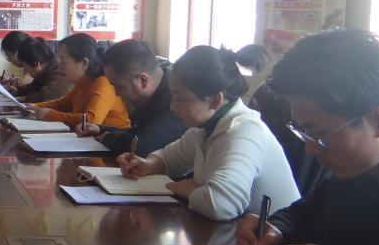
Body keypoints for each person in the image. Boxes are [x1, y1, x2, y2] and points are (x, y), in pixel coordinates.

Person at [235, 30, 379, 245]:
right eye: (303, 133)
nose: (310, 150)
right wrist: (275, 229)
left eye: (319, 134)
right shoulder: (354, 172)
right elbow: (304, 213)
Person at [119, 44, 299, 221]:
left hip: (274, 238)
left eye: (179, 99)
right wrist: (147, 164)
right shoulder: (204, 128)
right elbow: (169, 158)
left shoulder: (245, 131)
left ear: (214, 100)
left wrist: (176, 187)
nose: (172, 107)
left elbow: (222, 204)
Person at [78, 39, 186, 156]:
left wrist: (107, 138)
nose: (116, 93)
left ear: (143, 80)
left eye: (119, 87)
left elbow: (142, 146)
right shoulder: (152, 92)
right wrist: (100, 130)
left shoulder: (177, 98)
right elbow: (140, 133)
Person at [24, 32, 129, 129]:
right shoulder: (81, 84)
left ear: (84, 63)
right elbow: (62, 104)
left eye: (63, 62)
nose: (58, 68)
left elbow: (91, 121)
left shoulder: (104, 84)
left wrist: (50, 115)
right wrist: (34, 107)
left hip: (112, 142)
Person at [11, 38, 71, 103]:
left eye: (25, 67)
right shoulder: (44, 71)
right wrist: (18, 91)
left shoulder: (59, 70)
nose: (25, 71)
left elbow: (46, 97)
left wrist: (24, 99)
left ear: (37, 64)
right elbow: (34, 87)